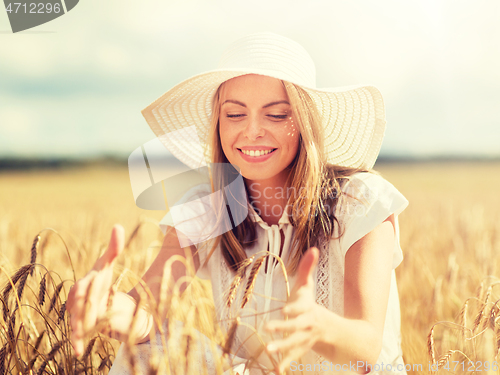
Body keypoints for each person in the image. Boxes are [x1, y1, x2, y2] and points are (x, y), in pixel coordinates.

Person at [67, 32, 409, 374]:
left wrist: (319, 327)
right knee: (140, 354)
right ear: (218, 124)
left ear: (305, 124)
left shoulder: (359, 200)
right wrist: (109, 308)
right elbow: (146, 311)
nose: (253, 131)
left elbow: (366, 346)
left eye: (276, 115)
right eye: (234, 115)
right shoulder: (207, 207)